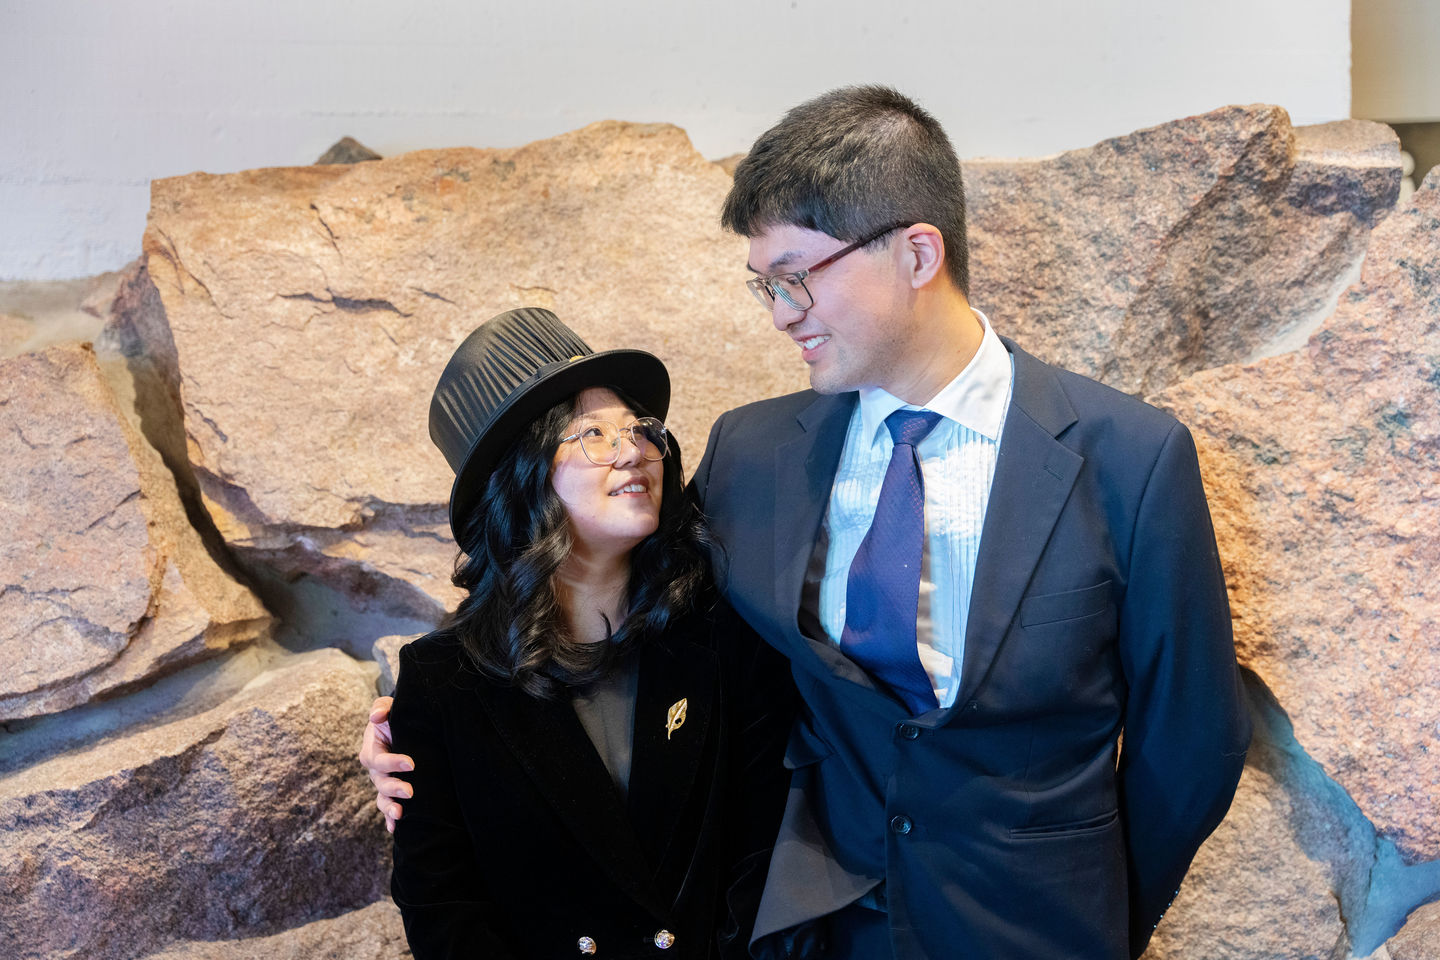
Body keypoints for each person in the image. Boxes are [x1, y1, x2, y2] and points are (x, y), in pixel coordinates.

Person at [363, 86, 1251, 960]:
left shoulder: (1131, 458)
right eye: (765, 286)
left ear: (916, 252)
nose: (783, 314)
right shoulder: (753, 454)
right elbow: (630, 615)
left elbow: (1194, 745)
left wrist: (1094, 914)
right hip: (815, 931)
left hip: (1037, 930)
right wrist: (427, 733)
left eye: (797, 279)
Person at [383, 306, 792, 959]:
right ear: (521, 478)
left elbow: (767, 855)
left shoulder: (722, 631)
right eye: (593, 434)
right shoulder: (442, 685)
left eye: (639, 428)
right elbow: (444, 913)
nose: (634, 449)